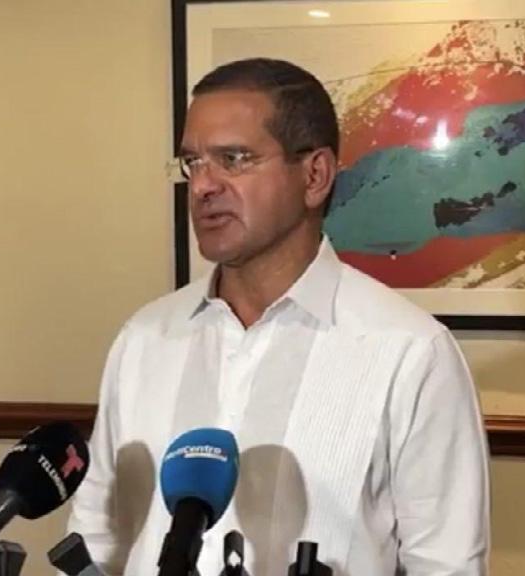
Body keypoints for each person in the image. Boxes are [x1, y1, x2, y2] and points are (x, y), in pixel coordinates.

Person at [66, 58, 490, 576]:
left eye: (234, 159)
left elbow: (446, 565)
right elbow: (96, 538)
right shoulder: (144, 339)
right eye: (193, 162)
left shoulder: (411, 353)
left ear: (315, 176)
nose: (202, 186)